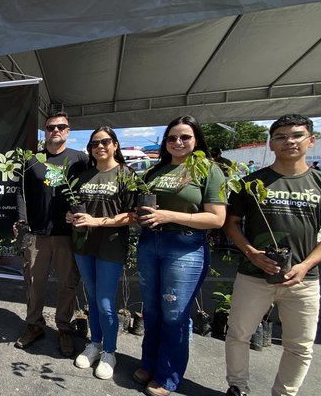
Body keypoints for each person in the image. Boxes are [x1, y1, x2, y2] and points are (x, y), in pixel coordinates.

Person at [223, 114, 321, 396]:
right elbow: (231, 224)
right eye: (280, 136)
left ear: (311, 140)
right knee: (238, 335)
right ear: (271, 144)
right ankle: (238, 386)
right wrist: (250, 252)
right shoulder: (251, 183)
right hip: (254, 274)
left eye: (297, 135)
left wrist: (305, 265)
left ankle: (285, 392)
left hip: (302, 281)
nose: (289, 141)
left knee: (300, 345)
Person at [133, 115, 226, 396]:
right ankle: (149, 363)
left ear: (197, 140)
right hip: (150, 243)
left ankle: (168, 376)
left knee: (174, 314)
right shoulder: (155, 171)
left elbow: (217, 219)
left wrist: (168, 215)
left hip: (185, 247)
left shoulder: (209, 170)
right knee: (151, 310)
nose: (178, 142)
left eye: (185, 136)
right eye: (172, 137)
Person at [14, 111, 88, 357]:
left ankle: (64, 328)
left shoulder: (80, 160)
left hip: (68, 235)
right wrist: (22, 218)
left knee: (67, 284)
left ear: (68, 131)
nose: (55, 130)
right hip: (36, 234)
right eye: (50, 127)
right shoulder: (33, 160)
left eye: (61, 126)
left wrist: (82, 215)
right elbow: (20, 191)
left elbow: (89, 193)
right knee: (34, 283)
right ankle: (34, 325)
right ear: (44, 131)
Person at [67, 127, 135, 380]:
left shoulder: (126, 175)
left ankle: (109, 351)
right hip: (83, 246)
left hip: (111, 246)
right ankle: (94, 344)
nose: (100, 146)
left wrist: (96, 221)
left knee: (106, 303)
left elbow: (132, 215)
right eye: (95, 143)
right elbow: (79, 209)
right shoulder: (84, 176)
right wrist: (71, 216)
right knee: (93, 298)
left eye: (105, 142)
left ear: (115, 145)